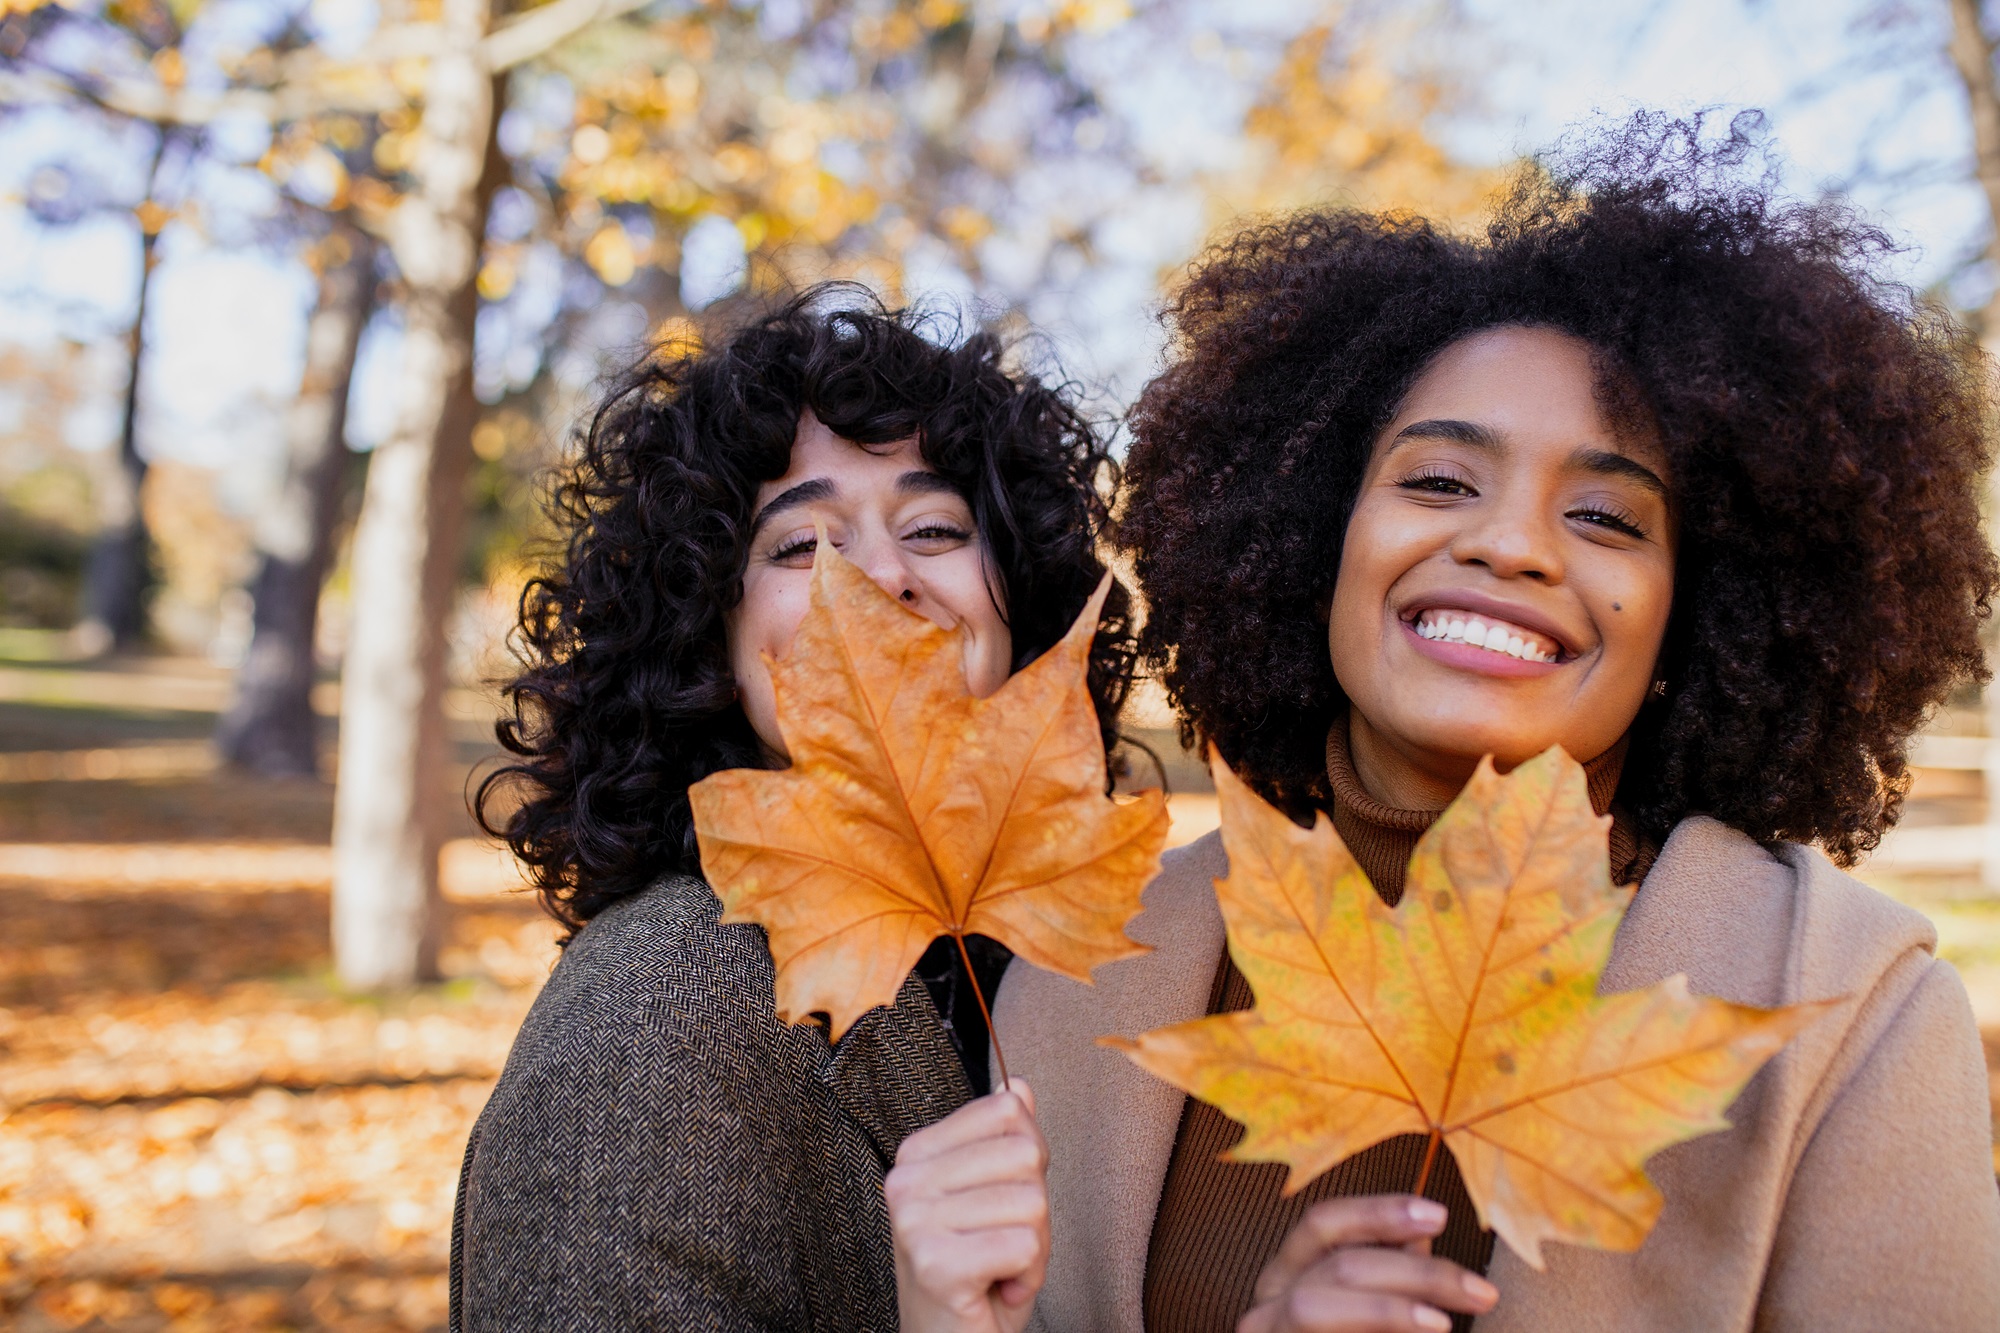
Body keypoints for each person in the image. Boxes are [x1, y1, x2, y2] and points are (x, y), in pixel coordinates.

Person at [993, 114, 2000, 1332]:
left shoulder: (1853, 1012)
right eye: (1436, 482)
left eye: (1606, 519)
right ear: (1316, 532)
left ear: (1699, 614)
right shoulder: (1076, 975)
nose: (1509, 543)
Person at [449, 288, 1121, 1331]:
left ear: (1016, 590)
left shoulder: (1101, 965)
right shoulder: (658, 1010)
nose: (881, 576)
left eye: (935, 525)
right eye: (800, 545)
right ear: (704, 633)